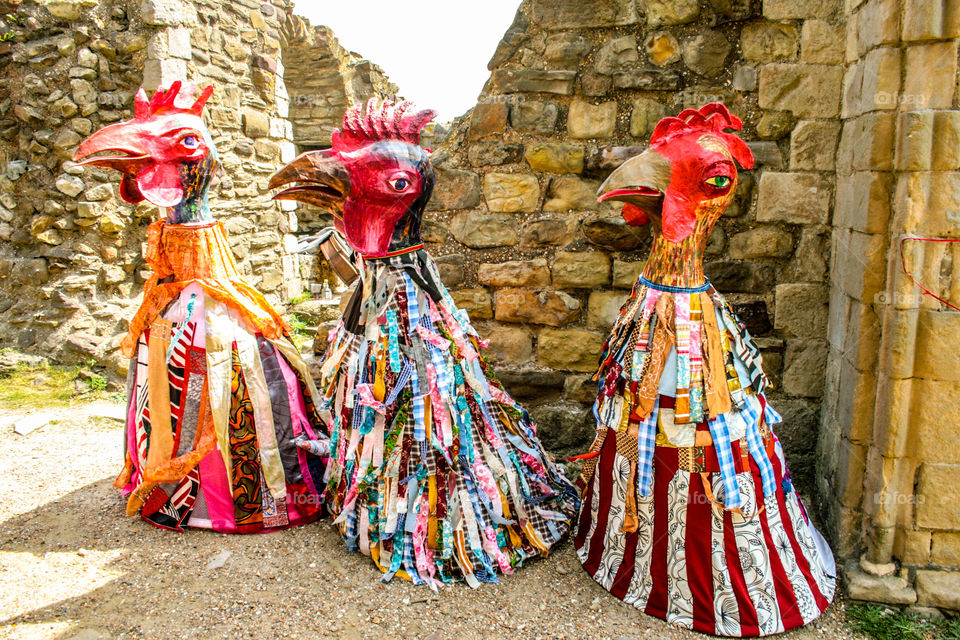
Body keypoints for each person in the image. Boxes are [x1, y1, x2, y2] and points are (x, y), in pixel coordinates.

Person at [270, 98, 579, 588]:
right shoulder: (369, 292)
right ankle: (378, 504)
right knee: (372, 397)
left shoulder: (419, 302)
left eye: (389, 179)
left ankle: (440, 524)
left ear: (409, 191)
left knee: (433, 402)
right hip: (377, 289)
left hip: (406, 295)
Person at [575, 103, 836, 636]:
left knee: (709, 417)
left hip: (689, 317)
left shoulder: (696, 262)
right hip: (660, 307)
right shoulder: (648, 300)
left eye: (706, 176)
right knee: (642, 414)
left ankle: (717, 572)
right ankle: (636, 548)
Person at [73, 82, 327, 533]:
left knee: (240, 373)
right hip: (182, 284)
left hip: (210, 280)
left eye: (183, 140)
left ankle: (246, 496)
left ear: (200, 156)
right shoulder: (164, 290)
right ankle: (172, 486)